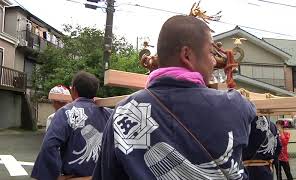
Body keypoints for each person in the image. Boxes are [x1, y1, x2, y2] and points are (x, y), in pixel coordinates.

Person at [92, 15, 256, 180]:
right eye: (210, 53)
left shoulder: (124, 111)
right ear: (187, 55)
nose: (214, 62)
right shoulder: (234, 105)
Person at [31, 71, 113, 180]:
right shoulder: (109, 114)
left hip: (75, 177)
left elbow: (49, 145)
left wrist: (53, 176)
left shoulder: (65, 112)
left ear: (73, 90)